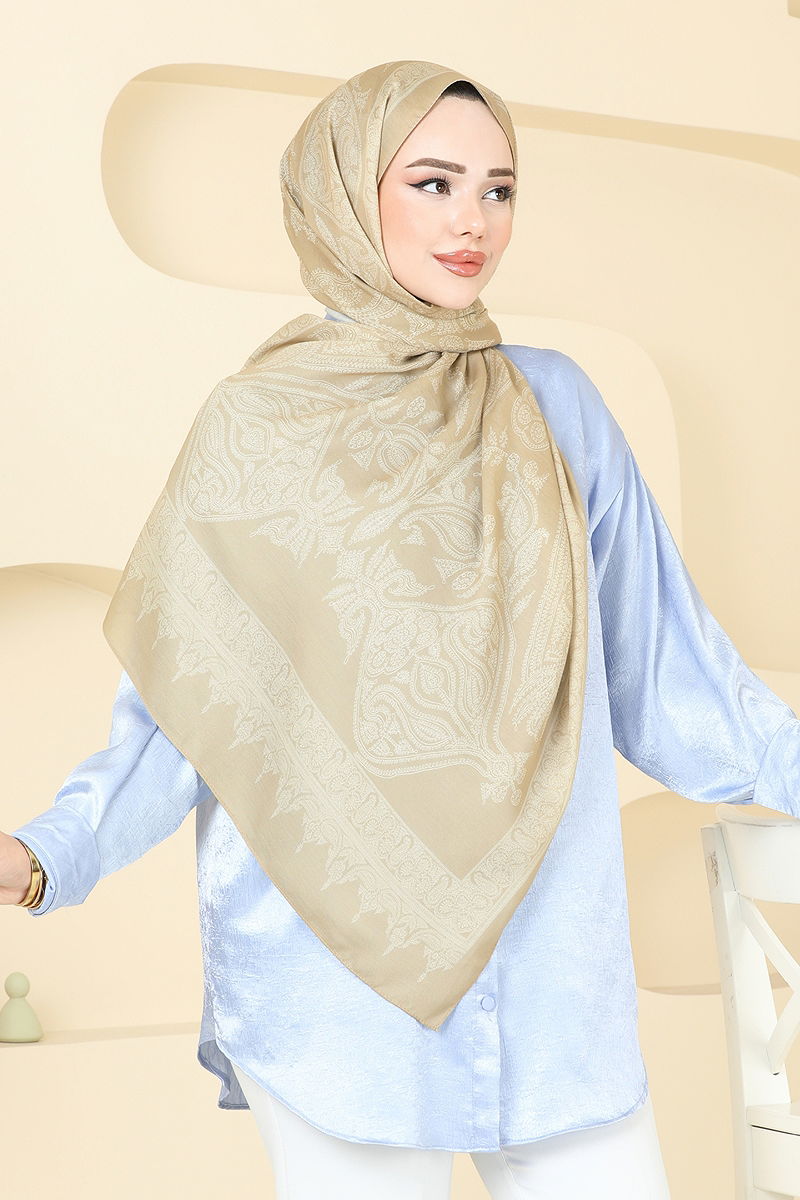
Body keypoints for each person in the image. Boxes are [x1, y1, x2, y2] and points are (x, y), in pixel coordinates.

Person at [2, 58, 799, 1200]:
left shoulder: (557, 407)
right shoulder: (257, 428)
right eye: (432, 183)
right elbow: (191, 708)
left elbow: (674, 681)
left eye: (498, 189)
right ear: (345, 194)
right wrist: (49, 856)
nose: (472, 221)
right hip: (337, 997)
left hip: (548, 981)